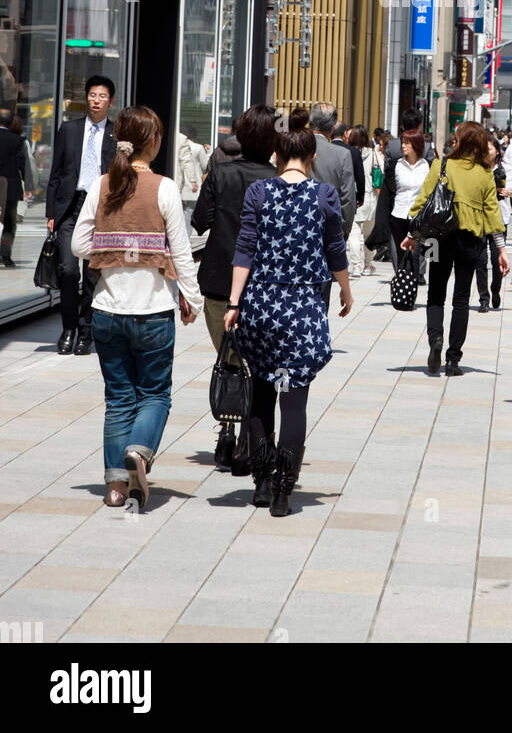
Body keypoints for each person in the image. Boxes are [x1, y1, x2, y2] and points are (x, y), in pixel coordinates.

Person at [70, 106, 203, 509]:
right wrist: (192, 300)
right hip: (153, 311)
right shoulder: (163, 188)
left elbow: (78, 245)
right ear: (155, 142)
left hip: (108, 310)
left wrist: (115, 249)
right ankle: (139, 452)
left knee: (119, 397)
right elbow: (181, 254)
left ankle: (114, 486)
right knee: (155, 395)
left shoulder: (102, 185)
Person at [224, 109, 352, 517]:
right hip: (302, 309)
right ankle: (283, 489)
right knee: (294, 402)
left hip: (260, 305)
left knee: (261, 394)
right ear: (312, 157)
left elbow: (244, 249)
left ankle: (261, 482)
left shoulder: (259, 193)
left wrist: (233, 303)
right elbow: (336, 251)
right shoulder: (323, 196)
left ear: (278, 156)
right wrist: (346, 291)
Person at [191, 104, 278, 468]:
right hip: (264, 283)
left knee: (228, 357)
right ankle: (249, 440)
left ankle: (227, 434)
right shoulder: (278, 180)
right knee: (256, 362)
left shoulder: (221, 175)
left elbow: (199, 222)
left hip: (219, 281)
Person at [403, 121, 508, 376]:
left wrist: (411, 234)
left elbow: (424, 199)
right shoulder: (484, 173)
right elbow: (493, 212)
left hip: (437, 239)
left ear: (458, 140)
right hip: (470, 241)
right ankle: (453, 360)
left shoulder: (442, 165)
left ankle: (435, 339)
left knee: (435, 293)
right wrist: (501, 249)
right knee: (461, 299)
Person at [46, 75, 117, 355]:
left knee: (91, 274)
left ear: (110, 101)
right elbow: (56, 172)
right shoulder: (70, 129)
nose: (96, 100)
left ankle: (86, 332)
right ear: (85, 98)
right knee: (67, 269)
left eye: (101, 96)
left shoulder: (116, 132)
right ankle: (68, 328)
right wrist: (51, 212)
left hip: (100, 206)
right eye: (92, 95)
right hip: (69, 206)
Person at [476, 136, 512, 311]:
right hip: (479, 220)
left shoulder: (506, 169)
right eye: (484, 148)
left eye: (490, 148)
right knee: (480, 261)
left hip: (500, 219)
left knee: (497, 260)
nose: (487, 152)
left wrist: (509, 192)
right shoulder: (477, 168)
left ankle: (495, 289)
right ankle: (483, 299)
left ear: (497, 151)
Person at [308, 102, 356, 235]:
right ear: (333, 127)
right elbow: (348, 198)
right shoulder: (342, 154)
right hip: (330, 227)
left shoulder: (297, 147)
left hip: (297, 224)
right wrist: (343, 230)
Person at [389, 132, 429, 285]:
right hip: (398, 215)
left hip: (418, 218)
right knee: (399, 255)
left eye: (407, 143)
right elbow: (390, 191)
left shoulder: (426, 166)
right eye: (402, 143)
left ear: (416, 145)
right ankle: (401, 287)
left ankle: (412, 288)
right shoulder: (396, 165)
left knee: (415, 254)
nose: (403, 146)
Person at [346, 126, 378, 276]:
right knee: (368, 233)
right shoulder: (373, 153)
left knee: (354, 232)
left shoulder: (348, 153)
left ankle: (356, 266)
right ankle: (367, 264)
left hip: (354, 195)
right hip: (370, 197)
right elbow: (382, 170)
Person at [0, 109, 27, 266]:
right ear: (11, 123)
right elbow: (22, 164)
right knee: (9, 223)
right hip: (10, 185)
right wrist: (27, 184)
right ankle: (5, 255)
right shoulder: (16, 140)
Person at [332, 122, 365, 207]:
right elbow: (360, 178)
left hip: (327, 195)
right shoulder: (354, 152)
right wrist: (360, 197)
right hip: (347, 197)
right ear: (345, 134)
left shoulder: (324, 150)